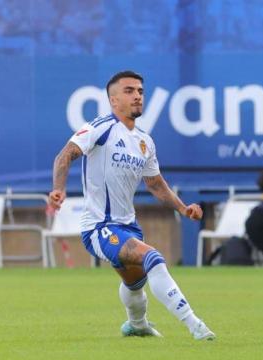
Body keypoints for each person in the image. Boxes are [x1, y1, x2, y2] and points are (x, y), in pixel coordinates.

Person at [48, 70, 215, 341]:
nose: (137, 96)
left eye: (140, 91)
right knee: (153, 259)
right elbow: (65, 155)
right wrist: (58, 188)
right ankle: (195, 325)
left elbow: (156, 185)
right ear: (113, 100)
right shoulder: (99, 128)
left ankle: (137, 324)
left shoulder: (144, 141)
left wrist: (183, 209)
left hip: (128, 227)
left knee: (135, 283)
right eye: (129, 91)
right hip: (99, 228)